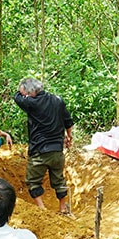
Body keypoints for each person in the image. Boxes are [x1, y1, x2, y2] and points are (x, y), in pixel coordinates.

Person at [14, 78, 73, 213]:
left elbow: (16, 97)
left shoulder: (31, 102)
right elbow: (68, 122)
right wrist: (69, 137)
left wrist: (22, 94)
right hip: (57, 151)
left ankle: (42, 209)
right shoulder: (57, 100)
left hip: (39, 152)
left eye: (25, 93)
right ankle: (63, 207)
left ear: (30, 92)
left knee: (33, 181)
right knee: (59, 180)